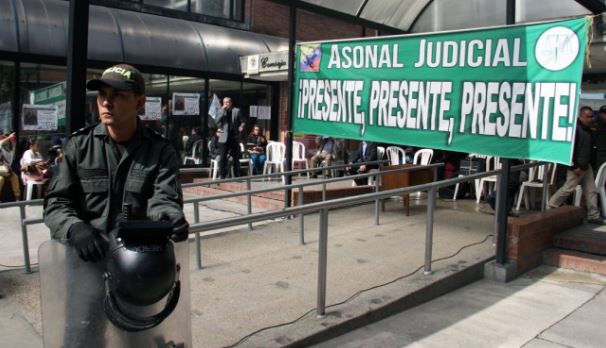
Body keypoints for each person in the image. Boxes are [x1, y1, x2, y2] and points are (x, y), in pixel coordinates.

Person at [44, 63, 189, 263]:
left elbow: (164, 199)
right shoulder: (79, 147)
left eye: (118, 95)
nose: (106, 102)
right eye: (102, 94)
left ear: (139, 103)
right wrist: (73, 228)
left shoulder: (160, 150)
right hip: (87, 263)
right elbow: (56, 203)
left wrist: (169, 216)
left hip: (138, 263)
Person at [548, 106, 603, 224]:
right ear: (581, 117)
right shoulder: (576, 130)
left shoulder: (589, 129)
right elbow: (570, 151)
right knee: (568, 188)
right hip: (577, 166)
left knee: (591, 190)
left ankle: (593, 215)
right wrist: (574, 166)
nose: (590, 119)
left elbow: (591, 148)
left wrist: (591, 165)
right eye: (588, 117)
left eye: (591, 116)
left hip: (586, 165)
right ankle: (551, 205)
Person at [215, 97, 246, 178]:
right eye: (224, 102)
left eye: (227, 102)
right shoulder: (220, 111)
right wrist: (222, 111)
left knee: (235, 158)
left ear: (231, 103)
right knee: (222, 158)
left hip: (234, 137)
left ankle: (237, 176)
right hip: (223, 137)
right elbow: (216, 121)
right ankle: (222, 176)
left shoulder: (236, 111)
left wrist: (241, 126)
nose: (226, 104)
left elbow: (243, 121)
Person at [0, 132, 21, 201]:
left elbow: (10, 161)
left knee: (15, 177)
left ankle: (17, 199)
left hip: (7, 170)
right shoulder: (1, 146)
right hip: (1, 170)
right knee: (1, 180)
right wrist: (8, 137)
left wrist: (13, 141)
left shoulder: (10, 149)